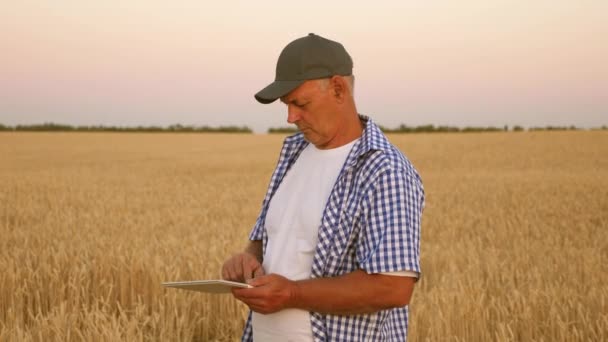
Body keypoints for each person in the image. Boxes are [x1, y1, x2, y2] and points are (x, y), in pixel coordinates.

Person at [222, 33, 425, 342]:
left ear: (338, 89)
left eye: (300, 103)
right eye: (286, 105)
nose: (291, 117)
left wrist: (291, 294)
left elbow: (393, 287)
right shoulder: (293, 153)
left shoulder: (384, 170)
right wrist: (248, 261)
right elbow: (266, 241)